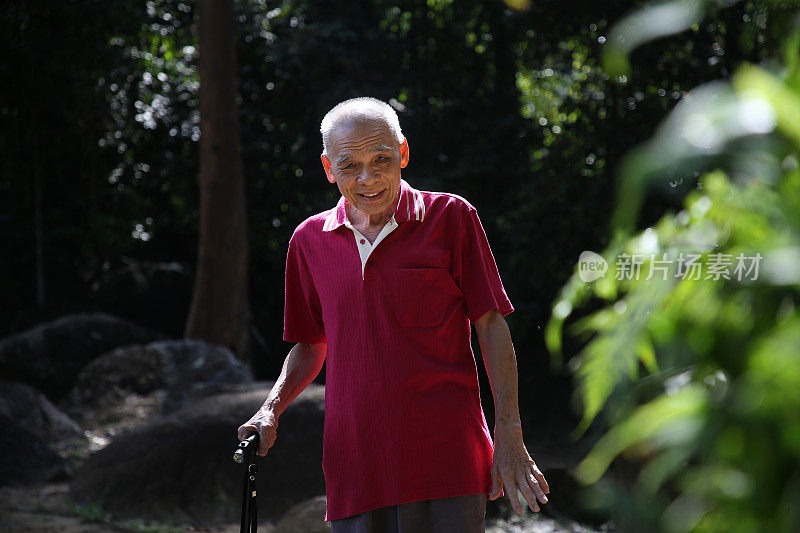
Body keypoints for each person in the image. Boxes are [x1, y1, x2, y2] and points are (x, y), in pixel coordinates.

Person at [238, 97, 549, 532]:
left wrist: (509, 434)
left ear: (402, 152)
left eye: (381, 158)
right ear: (329, 168)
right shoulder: (308, 241)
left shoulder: (452, 217)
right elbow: (310, 343)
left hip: (448, 457)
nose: (369, 178)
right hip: (355, 464)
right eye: (350, 165)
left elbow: (491, 325)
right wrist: (271, 409)